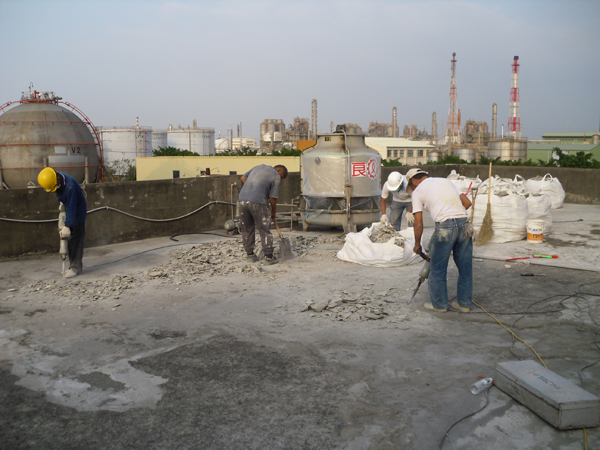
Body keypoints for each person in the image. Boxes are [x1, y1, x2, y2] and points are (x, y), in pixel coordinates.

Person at [407, 168, 473, 313]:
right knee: (465, 268)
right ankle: (464, 304)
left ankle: (439, 305)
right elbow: (467, 203)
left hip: (444, 227)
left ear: (414, 181)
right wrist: (454, 215)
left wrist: (417, 245)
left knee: (437, 269)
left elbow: (418, 222)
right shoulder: (446, 182)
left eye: (411, 186)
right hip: (464, 224)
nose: (413, 189)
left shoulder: (418, 191)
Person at [37, 167, 87, 278]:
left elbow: (72, 208)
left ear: (58, 179)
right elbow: (59, 193)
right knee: (68, 240)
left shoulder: (70, 187)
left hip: (77, 211)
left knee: (76, 239)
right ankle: (71, 265)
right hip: (68, 207)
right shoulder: (55, 179)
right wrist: (62, 204)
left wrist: (67, 226)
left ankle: (76, 267)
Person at [238, 164, 288, 265]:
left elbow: (243, 178)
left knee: (247, 229)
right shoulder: (276, 175)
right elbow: (273, 197)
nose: (280, 180)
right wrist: (273, 212)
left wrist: (254, 188)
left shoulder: (258, 167)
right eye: (282, 177)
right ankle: (269, 257)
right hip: (258, 202)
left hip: (242, 200)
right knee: (264, 229)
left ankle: (250, 255)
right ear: (279, 170)